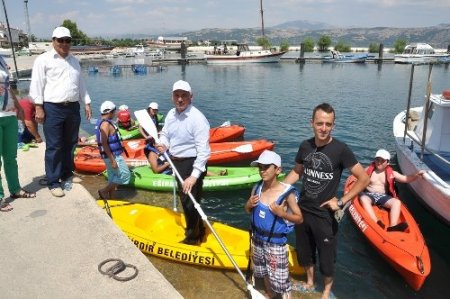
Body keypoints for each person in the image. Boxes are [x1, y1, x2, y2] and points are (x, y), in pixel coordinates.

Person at [284, 103, 369, 299]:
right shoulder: (305, 146)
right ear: (311, 123)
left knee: (327, 257)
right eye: (320, 123)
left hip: (325, 215)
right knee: (305, 251)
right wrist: (278, 191)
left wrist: (341, 201)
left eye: (328, 124)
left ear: (333, 125)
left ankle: (327, 291)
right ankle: (310, 282)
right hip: (303, 209)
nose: (323, 128)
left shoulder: (341, 149)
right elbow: (297, 172)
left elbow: (364, 178)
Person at [29, 26, 92, 197]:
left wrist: (86, 102)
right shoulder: (43, 60)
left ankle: (66, 173)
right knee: (54, 146)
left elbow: (80, 84)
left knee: (70, 143)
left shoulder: (74, 61)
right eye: (60, 40)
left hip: (72, 107)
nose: (64, 44)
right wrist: (38, 106)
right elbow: (37, 85)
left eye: (67, 40)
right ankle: (53, 181)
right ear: (53, 41)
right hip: (53, 108)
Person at [156, 80, 211, 245]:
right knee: (185, 199)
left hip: (192, 162)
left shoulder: (198, 119)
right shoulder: (171, 114)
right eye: (177, 95)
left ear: (191, 97)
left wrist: (193, 177)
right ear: (172, 97)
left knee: (190, 202)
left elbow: (204, 151)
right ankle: (197, 229)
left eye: (184, 96)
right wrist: (163, 143)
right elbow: (165, 133)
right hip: (177, 162)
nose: (180, 99)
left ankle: (193, 238)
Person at [245, 150, 303, 298]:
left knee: (281, 281)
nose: (262, 171)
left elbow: (299, 218)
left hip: (275, 244)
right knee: (263, 271)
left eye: (266, 167)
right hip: (257, 240)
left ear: (278, 170)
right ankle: (270, 293)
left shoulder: (286, 193)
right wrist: (249, 204)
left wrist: (282, 213)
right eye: (260, 167)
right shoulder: (257, 188)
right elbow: (247, 211)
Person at [0, 55, 36, 212]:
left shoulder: (1, 59)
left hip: (9, 115)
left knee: (10, 157)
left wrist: (19, 107)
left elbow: (7, 88)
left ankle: (15, 189)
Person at [360, 149, 425, 232]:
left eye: (382, 161)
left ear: (387, 162)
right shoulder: (369, 170)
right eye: (377, 159)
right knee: (363, 199)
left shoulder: (392, 173)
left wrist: (417, 175)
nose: (379, 162)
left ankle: (393, 226)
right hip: (369, 194)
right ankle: (376, 222)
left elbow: (405, 179)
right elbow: (358, 176)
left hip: (382, 196)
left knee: (397, 202)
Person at [96, 101, 131, 199]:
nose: (115, 113)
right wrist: (112, 160)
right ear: (109, 112)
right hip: (113, 156)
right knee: (125, 176)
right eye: (114, 112)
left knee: (112, 178)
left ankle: (112, 200)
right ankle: (103, 191)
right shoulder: (105, 125)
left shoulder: (102, 122)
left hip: (108, 156)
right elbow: (104, 143)